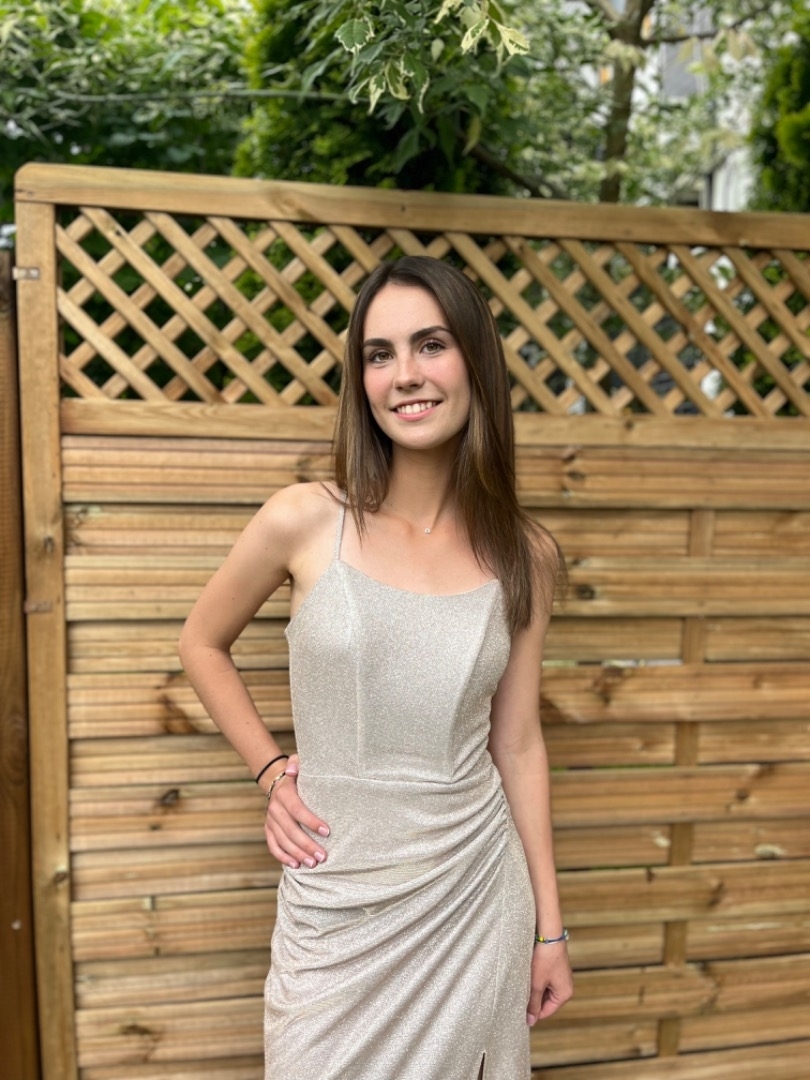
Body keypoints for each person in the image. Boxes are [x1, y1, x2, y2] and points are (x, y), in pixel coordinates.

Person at [179, 255, 574, 1080]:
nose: (405, 376)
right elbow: (201, 644)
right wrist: (272, 772)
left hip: (473, 895)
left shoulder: (525, 555)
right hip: (335, 904)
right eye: (379, 354)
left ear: (474, 360)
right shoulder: (302, 519)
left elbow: (519, 743)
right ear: (361, 380)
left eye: (431, 345)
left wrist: (550, 928)